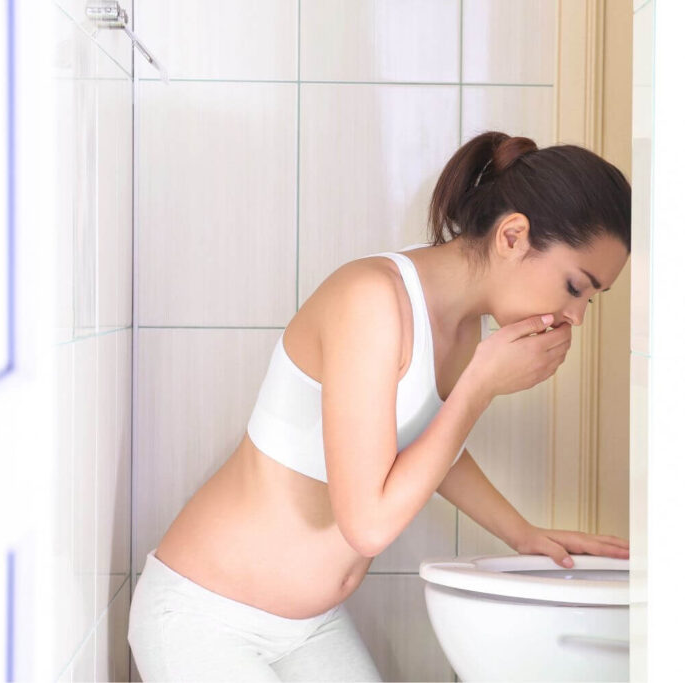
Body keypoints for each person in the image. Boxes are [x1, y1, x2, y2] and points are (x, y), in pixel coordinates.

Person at [127, 130, 632, 681]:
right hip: (206, 618)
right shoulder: (372, 300)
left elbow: (422, 442)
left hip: (309, 624)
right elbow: (366, 525)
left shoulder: (464, 329)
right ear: (513, 236)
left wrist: (521, 533)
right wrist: (480, 386)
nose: (576, 316)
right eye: (575, 287)